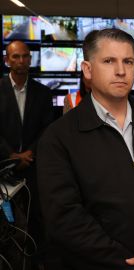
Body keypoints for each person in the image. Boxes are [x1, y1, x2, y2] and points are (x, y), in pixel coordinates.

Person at [36, 29, 134, 270]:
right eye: (109, 61)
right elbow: (65, 219)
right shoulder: (58, 137)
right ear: (87, 70)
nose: (121, 71)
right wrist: (130, 265)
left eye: (128, 61)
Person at [0, 39, 54, 269]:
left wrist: (30, 153)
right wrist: (11, 154)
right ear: (6, 60)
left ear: (30, 59)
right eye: (15, 57)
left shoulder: (43, 93)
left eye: (25, 56)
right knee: (6, 223)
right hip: (3, 167)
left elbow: (48, 128)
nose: (21, 61)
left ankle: (35, 264)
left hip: (34, 167)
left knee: (36, 221)